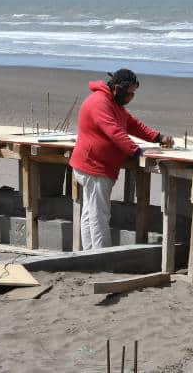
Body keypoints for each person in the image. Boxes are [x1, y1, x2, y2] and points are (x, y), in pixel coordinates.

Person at [70, 69, 173, 250]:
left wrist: (158, 137)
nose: (131, 97)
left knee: (90, 213)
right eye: (130, 93)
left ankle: (89, 255)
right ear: (117, 89)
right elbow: (114, 132)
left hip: (95, 166)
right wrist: (137, 152)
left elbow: (133, 125)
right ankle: (102, 257)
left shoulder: (113, 103)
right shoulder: (99, 103)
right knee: (99, 216)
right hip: (94, 167)